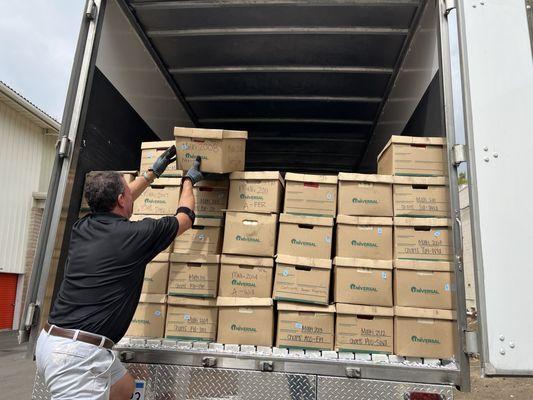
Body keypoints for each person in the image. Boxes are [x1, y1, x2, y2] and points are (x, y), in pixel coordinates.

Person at [35, 145, 204, 400]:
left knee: (124, 388)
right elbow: (186, 217)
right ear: (122, 200)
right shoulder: (136, 236)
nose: (129, 193)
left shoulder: (83, 227)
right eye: (127, 190)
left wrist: (151, 174)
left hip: (54, 341)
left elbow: (116, 201)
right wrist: (188, 181)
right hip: (78, 356)